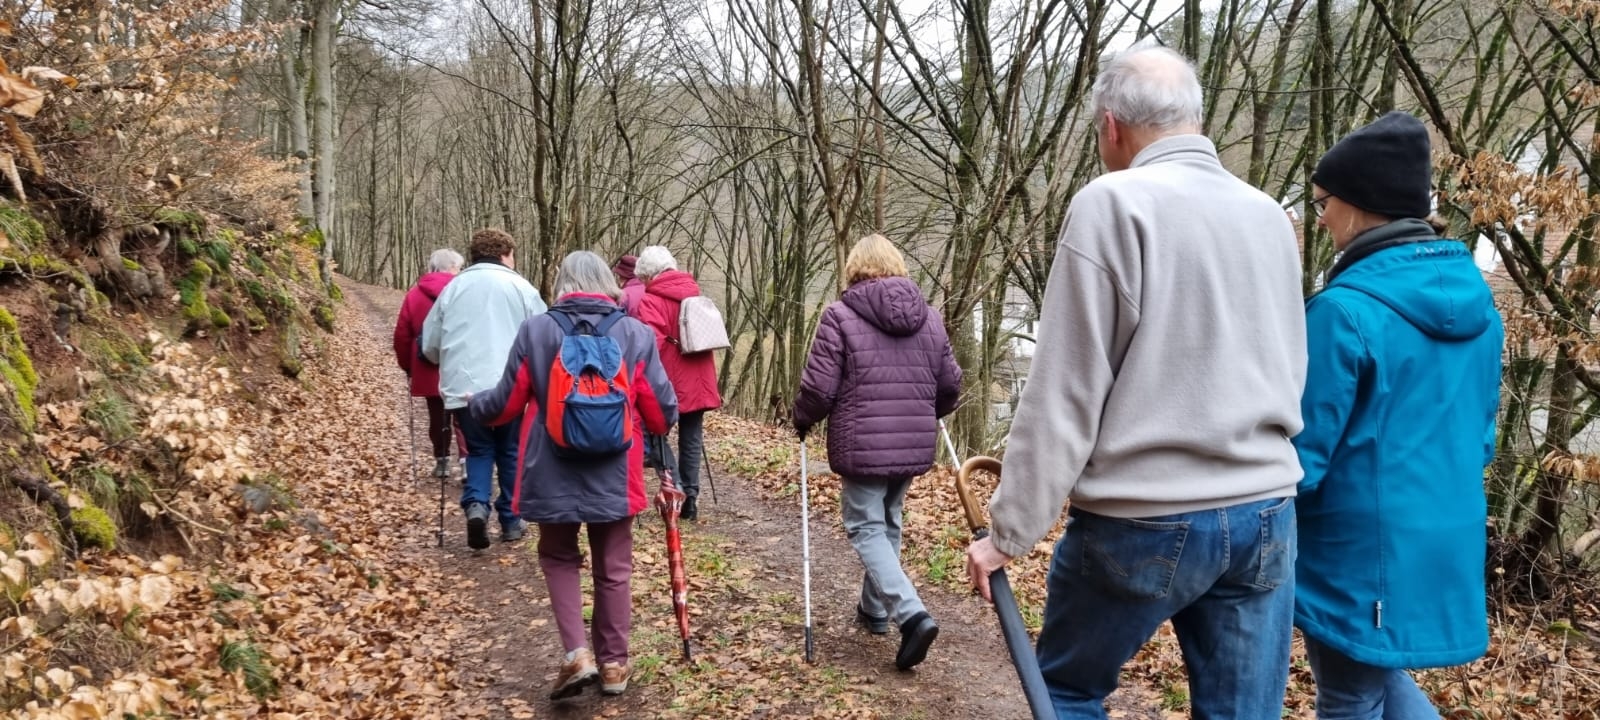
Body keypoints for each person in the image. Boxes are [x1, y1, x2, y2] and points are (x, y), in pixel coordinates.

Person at [963, 46, 1308, 719]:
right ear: (1195, 119)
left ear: (1111, 125)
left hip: (1144, 517)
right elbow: (1290, 365)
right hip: (1266, 511)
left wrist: (1010, 531)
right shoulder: (1269, 214)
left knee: (1064, 691)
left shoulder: (1112, 204)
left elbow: (1065, 390)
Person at [1293, 111, 1502, 719]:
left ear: (1358, 206)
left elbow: (1303, 457)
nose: (1322, 216)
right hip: (1446, 532)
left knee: (1350, 692)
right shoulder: (1481, 306)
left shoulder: (1343, 312)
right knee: (1375, 679)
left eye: (1323, 202)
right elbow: (1482, 438)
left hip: (1355, 547)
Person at [468, 250, 678, 700]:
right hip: (617, 472)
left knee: (559, 557)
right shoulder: (635, 333)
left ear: (561, 284)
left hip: (550, 466)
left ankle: (576, 655)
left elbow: (505, 403)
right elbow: (661, 414)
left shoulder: (538, 330)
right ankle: (615, 665)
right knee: (615, 567)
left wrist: (473, 403)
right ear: (609, 284)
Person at [792, 234, 962, 671]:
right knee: (888, 521)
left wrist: (802, 419)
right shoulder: (930, 318)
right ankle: (875, 611)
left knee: (866, 526)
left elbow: (818, 386)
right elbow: (949, 386)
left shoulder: (841, 315)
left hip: (863, 441)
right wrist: (928, 411)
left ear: (854, 269)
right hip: (911, 439)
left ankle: (911, 615)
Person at [421, 229, 547, 550]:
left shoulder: (454, 288)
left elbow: (431, 344)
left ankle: (477, 505)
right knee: (510, 451)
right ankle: (510, 520)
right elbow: (545, 334)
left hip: (465, 388)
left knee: (478, 450)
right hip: (511, 387)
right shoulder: (522, 287)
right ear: (506, 254)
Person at [631, 245, 721, 521]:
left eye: (643, 278)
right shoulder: (695, 294)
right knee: (691, 438)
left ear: (649, 275)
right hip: (700, 377)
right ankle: (691, 499)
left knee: (655, 435)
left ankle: (677, 490)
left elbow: (650, 345)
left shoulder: (651, 300)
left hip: (667, 381)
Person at [394, 248, 467, 478]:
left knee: (437, 416)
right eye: (459, 267)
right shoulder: (465, 292)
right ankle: (467, 463)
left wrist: (407, 365)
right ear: (453, 268)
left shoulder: (414, 295)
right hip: (461, 363)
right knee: (464, 415)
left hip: (427, 364)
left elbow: (402, 335)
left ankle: (442, 460)